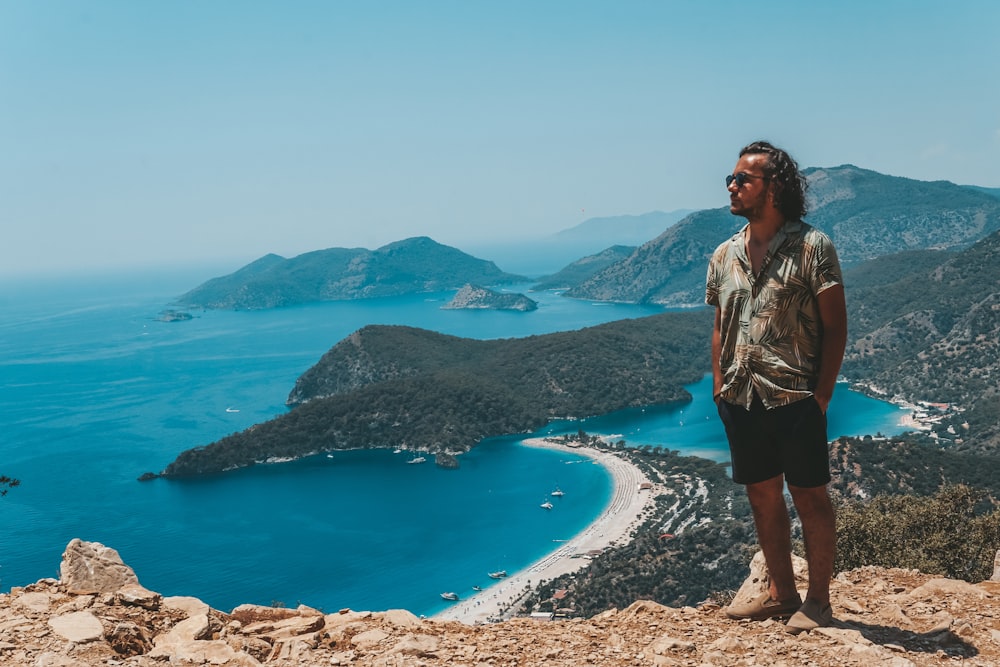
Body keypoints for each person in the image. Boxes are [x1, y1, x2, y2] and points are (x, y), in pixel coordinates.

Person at [705, 140, 847, 633]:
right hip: (742, 397)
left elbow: (836, 327)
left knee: (810, 498)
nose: (732, 185)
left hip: (796, 396)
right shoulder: (724, 254)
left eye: (743, 179)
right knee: (763, 497)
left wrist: (822, 394)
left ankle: (819, 602)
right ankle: (781, 595)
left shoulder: (813, 247)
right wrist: (720, 386)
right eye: (732, 177)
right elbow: (721, 323)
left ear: (775, 187)